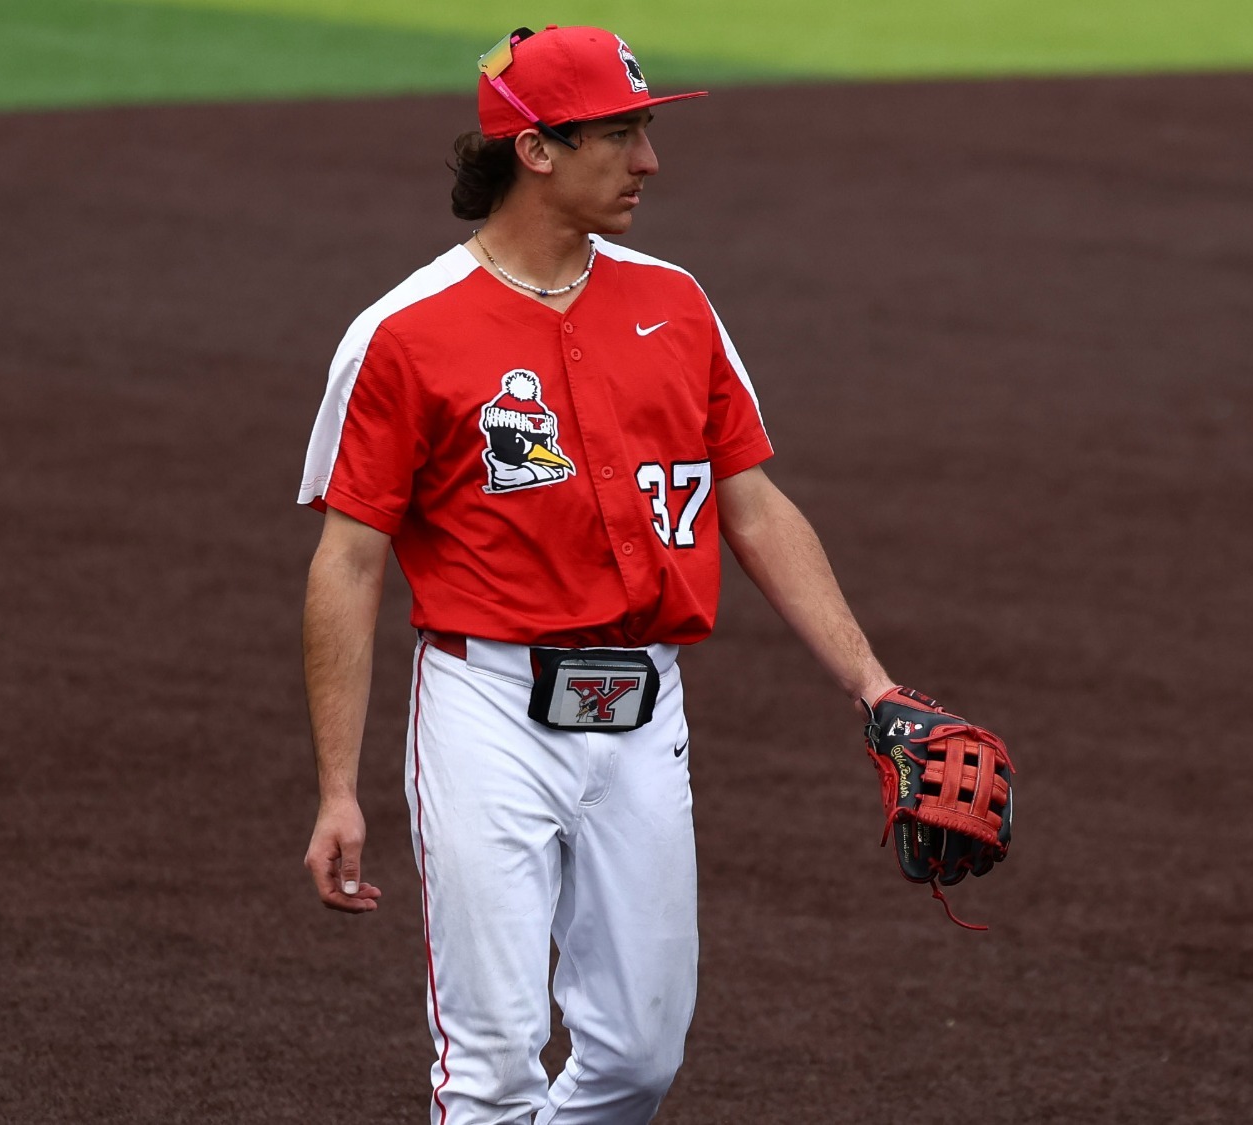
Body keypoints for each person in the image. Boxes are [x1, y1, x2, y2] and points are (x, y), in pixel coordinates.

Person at [299, 25, 899, 1124]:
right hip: (483, 714)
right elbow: (347, 559)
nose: (647, 160)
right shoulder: (403, 335)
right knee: (489, 1067)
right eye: (619, 134)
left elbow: (751, 506)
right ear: (533, 149)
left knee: (635, 1057)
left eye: (644, 129)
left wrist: (873, 684)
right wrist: (338, 787)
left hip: (642, 710)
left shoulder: (677, 305)